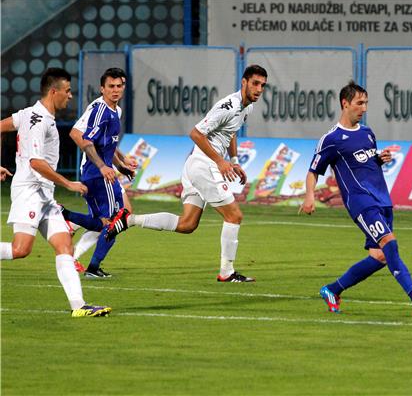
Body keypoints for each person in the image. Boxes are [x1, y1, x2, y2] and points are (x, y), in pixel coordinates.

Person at [106, 65, 268, 283]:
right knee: (234, 216)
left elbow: (230, 133)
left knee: (187, 224)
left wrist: (235, 161)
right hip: (203, 166)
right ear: (244, 82)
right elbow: (195, 133)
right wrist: (220, 161)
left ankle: (130, 219)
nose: (259, 89)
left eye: (263, 85)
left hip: (197, 165)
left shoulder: (246, 108)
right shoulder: (228, 106)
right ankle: (227, 272)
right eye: (255, 83)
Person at [300, 81, 412, 314]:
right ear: (345, 103)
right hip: (360, 202)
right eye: (359, 103)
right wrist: (310, 196)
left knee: (380, 256)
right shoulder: (332, 139)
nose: (364, 108)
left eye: (366, 103)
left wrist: (380, 159)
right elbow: (313, 171)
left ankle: (333, 289)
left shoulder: (368, 133)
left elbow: (365, 163)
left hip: (382, 199)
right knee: (390, 243)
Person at [0, 67, 111, 317]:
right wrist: (68, 183)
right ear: (54, 91)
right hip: (29, 190)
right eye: (68, 91)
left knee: (65, 247)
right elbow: (36, 163)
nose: (70, 96)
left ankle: (79, 307)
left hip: (44, 194)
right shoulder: (39, 122)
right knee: (21, 250)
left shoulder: (28, 114)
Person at [59, 68, 134, 278]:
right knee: (116, 221)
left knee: (104, 223)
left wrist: (120, 165)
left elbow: (108, 142)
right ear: (102, 88)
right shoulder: (100, 109)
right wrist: (103, 167)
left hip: (97, 172)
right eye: (111, 86)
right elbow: (85, 140)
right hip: (97, 173)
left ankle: (65, 215)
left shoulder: (114, 111)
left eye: (119, 86)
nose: (116, 90)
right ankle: (92, 267)